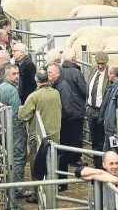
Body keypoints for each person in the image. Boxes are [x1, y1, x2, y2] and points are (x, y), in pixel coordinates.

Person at [19, 69, 62, 204]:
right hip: (54, 135)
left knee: (37, 166)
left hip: (38, 138)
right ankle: (52, 193)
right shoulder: (56, 93)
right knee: (52, 165)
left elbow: (23, 115)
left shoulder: (34, 96)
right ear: (47, 80)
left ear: (37, 81)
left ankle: (38, 195)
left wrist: (20, 108)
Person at [0, 64, 32, 199]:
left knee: (8, 156)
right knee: (18, 157)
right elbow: (17, 113)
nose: (16, 76)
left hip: (5, 125)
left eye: (17, 73)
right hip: (15, 127)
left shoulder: (2, 87)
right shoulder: (12, 90)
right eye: (13, 74)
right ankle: (18, 189)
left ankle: (9, 184)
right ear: (7, 75)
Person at [47, 62, 77, 192]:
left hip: (65, 123)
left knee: (62, 154)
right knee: (60, 153)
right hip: (61, 122)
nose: (48, 75)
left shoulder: (63, 87)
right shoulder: (56, 84)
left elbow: (67, 109)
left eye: (50, 73)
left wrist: (56, 115)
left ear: (57, 74)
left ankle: (62, 182)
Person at [61, 48, 87, 167]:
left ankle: (65, 157)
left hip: (64, 109)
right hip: (76, 109)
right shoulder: (76, 72)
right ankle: (75, 158)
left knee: (66, 134)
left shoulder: (60, 71)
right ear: (73, 59)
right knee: (76, 136)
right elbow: (83, 90)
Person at [86, 52, 110, 169]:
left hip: (102, 110)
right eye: (98, 63)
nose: (100, 66)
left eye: (102, 64)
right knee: (94, 138)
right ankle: (96, 163)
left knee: (102, 138)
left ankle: (102, 164)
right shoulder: (93, 69)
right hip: (91, 108)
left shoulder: (109, 73)